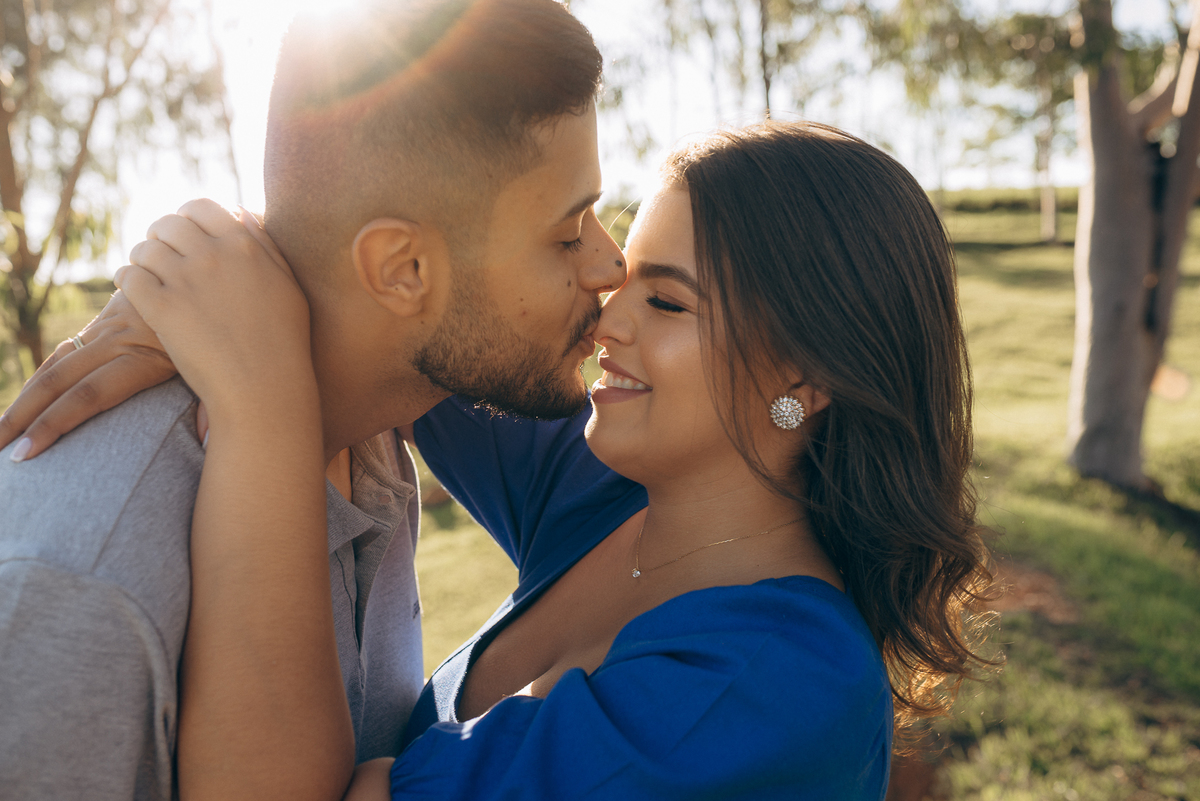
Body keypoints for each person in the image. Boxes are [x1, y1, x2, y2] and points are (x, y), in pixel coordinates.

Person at [74, 121, 996, 798]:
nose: (606, 321)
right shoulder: (604, 490)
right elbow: (398, 309)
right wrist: (196, 287)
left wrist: (259, 403)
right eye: (618, 280)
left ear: (812, 373)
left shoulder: (772, 687)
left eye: (667, 304)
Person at [0, 1, 626, 797]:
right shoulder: (84, 581)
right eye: (568, 232)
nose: (612, 265)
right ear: (402, 271)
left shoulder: (377, 426)